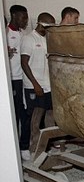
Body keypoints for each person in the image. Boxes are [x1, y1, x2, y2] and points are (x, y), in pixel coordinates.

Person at [20, 12, 56, 157]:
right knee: (35, 117)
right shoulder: (29, 39)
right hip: (34, 85)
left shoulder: (47, 39)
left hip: (47, 84)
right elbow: (24, 63)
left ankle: (46, 146)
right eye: (49, 25)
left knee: (49, 115)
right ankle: (32, 147)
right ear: (41, 23)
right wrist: (35, 84)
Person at [7, 5, 29, 160]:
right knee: (13, 116)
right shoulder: (5, 33)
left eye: (26, 17)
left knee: (25, 115)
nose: (25, 20)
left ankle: (24, 147)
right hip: (12, 80)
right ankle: (11, 148)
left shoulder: (24, 34)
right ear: (14, 15)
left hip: (24, 80)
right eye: (23, 17)